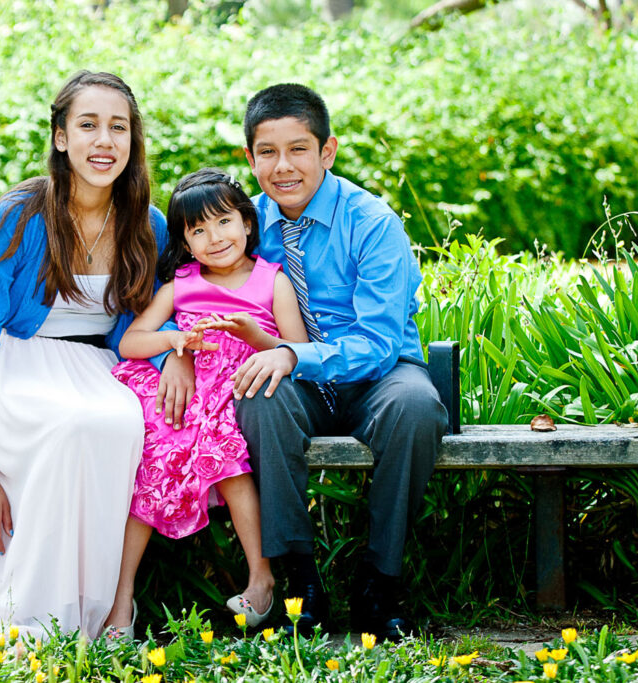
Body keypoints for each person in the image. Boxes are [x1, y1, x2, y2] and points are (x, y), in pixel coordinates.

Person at [0, 71, 168, 639]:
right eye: (87, 125)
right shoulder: (16, 217)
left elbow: (156, 320)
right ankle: (26, 617)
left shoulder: (148, 225)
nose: (104, 141)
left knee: (120, 423)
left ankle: (93, 612)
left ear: (133, 141)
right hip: (14, 365)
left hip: (98, 370)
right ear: (61, 137)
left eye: (118, 127)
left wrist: (176, 358)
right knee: (70, 427)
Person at [232, 84, 449, 640]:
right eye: (267, 152)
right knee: (261, 395)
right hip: (293, 376)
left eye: (299, 149)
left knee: (417, 407)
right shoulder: (245, 224)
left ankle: (382, 579)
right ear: (249, 157)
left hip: (378, 376)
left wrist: (292, 352)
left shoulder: (373, 222)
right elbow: (188, 289)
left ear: (327, 152)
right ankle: (299, 580)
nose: (284, 166)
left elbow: (377, 343)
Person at [102, 169, 310, 638]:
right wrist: (175, 340)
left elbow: (296, 348)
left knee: (229, 459)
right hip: (183, 397)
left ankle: (262, 579)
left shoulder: (271, 281)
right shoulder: (180, 284)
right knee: (149, 465)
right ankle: (120, 601)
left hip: (236, 393)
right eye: (197, 230)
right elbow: (131, 343)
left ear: (248, 224)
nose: (214, 238)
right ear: (185, 243)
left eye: (223, 222)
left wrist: (258, 338)